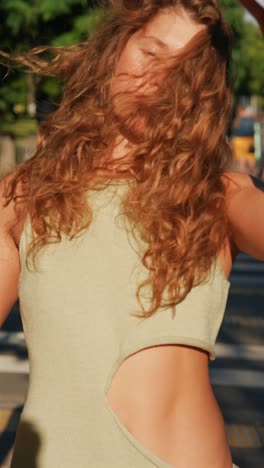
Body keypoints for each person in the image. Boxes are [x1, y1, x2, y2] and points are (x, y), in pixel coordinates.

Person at [0, 1, 264, 467]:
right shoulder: (25, 195)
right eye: (152, 53)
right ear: (115, 47)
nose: (160, 83)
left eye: (184, 75)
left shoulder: (217, 197)